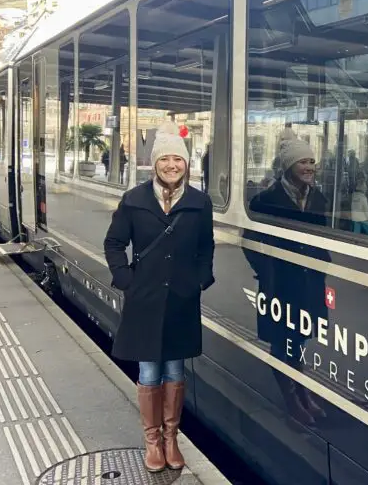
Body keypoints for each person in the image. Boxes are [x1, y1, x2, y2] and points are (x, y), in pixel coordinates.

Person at [103, 122, 215, 473]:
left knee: (175, 370)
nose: (172, 165)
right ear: (155, 164)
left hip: (182, 300)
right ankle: (152, 441)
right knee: (150, 370)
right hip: (145, 299)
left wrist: (201, 279)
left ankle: (172, 438)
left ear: (186, 164)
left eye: (177, 159)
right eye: (165, 159)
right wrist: (125, 279)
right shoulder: (134, 200)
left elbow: (205, 247)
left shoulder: (199, 202)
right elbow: (114, 243)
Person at [245, 135, 330, 425]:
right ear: (289, 165)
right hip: (280, 284)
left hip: (309, 284)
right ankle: (292, 399)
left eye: (312, 162)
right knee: (282, 343)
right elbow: (250, 242)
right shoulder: (265, 200)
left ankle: (302, 393)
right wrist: (266, 271)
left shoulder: (319, 198)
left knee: (299, 341)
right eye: (303, 162)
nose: (310, 167)